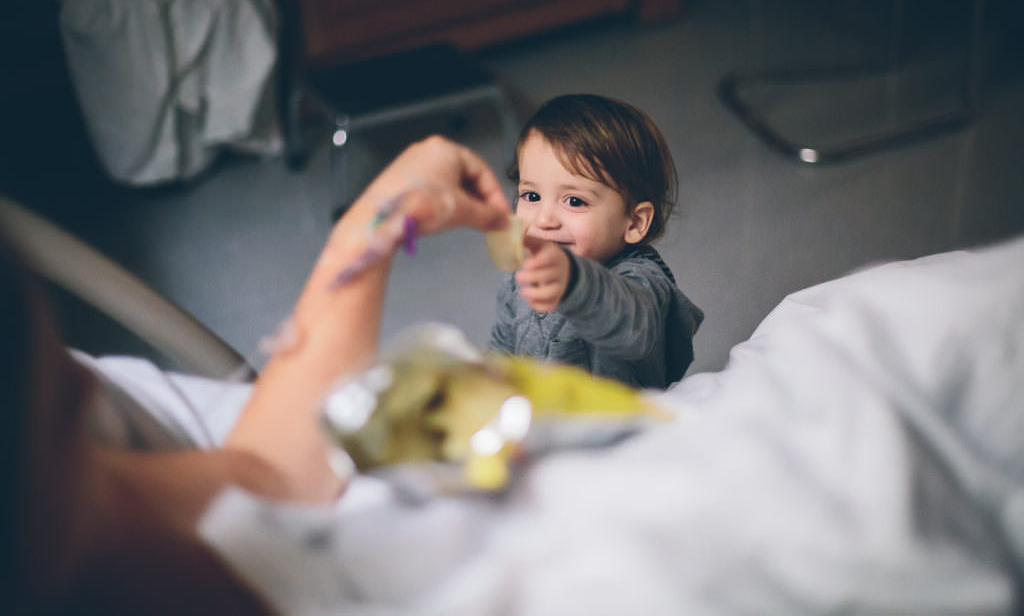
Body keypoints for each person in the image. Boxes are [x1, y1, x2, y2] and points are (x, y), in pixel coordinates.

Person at [3, 136, 511, 614]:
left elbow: (267, 478)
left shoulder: (68, 502)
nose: (88, 385)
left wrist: (377, 220)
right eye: (62, 416)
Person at [488, 94, 703, 389]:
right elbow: (504, 344)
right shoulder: (521, 275)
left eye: (574, 201)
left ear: (634, 222)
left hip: (627, 418)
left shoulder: (642, 282)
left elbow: (634, 330)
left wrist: (575, 282)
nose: (543, 219)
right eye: (531, 196)